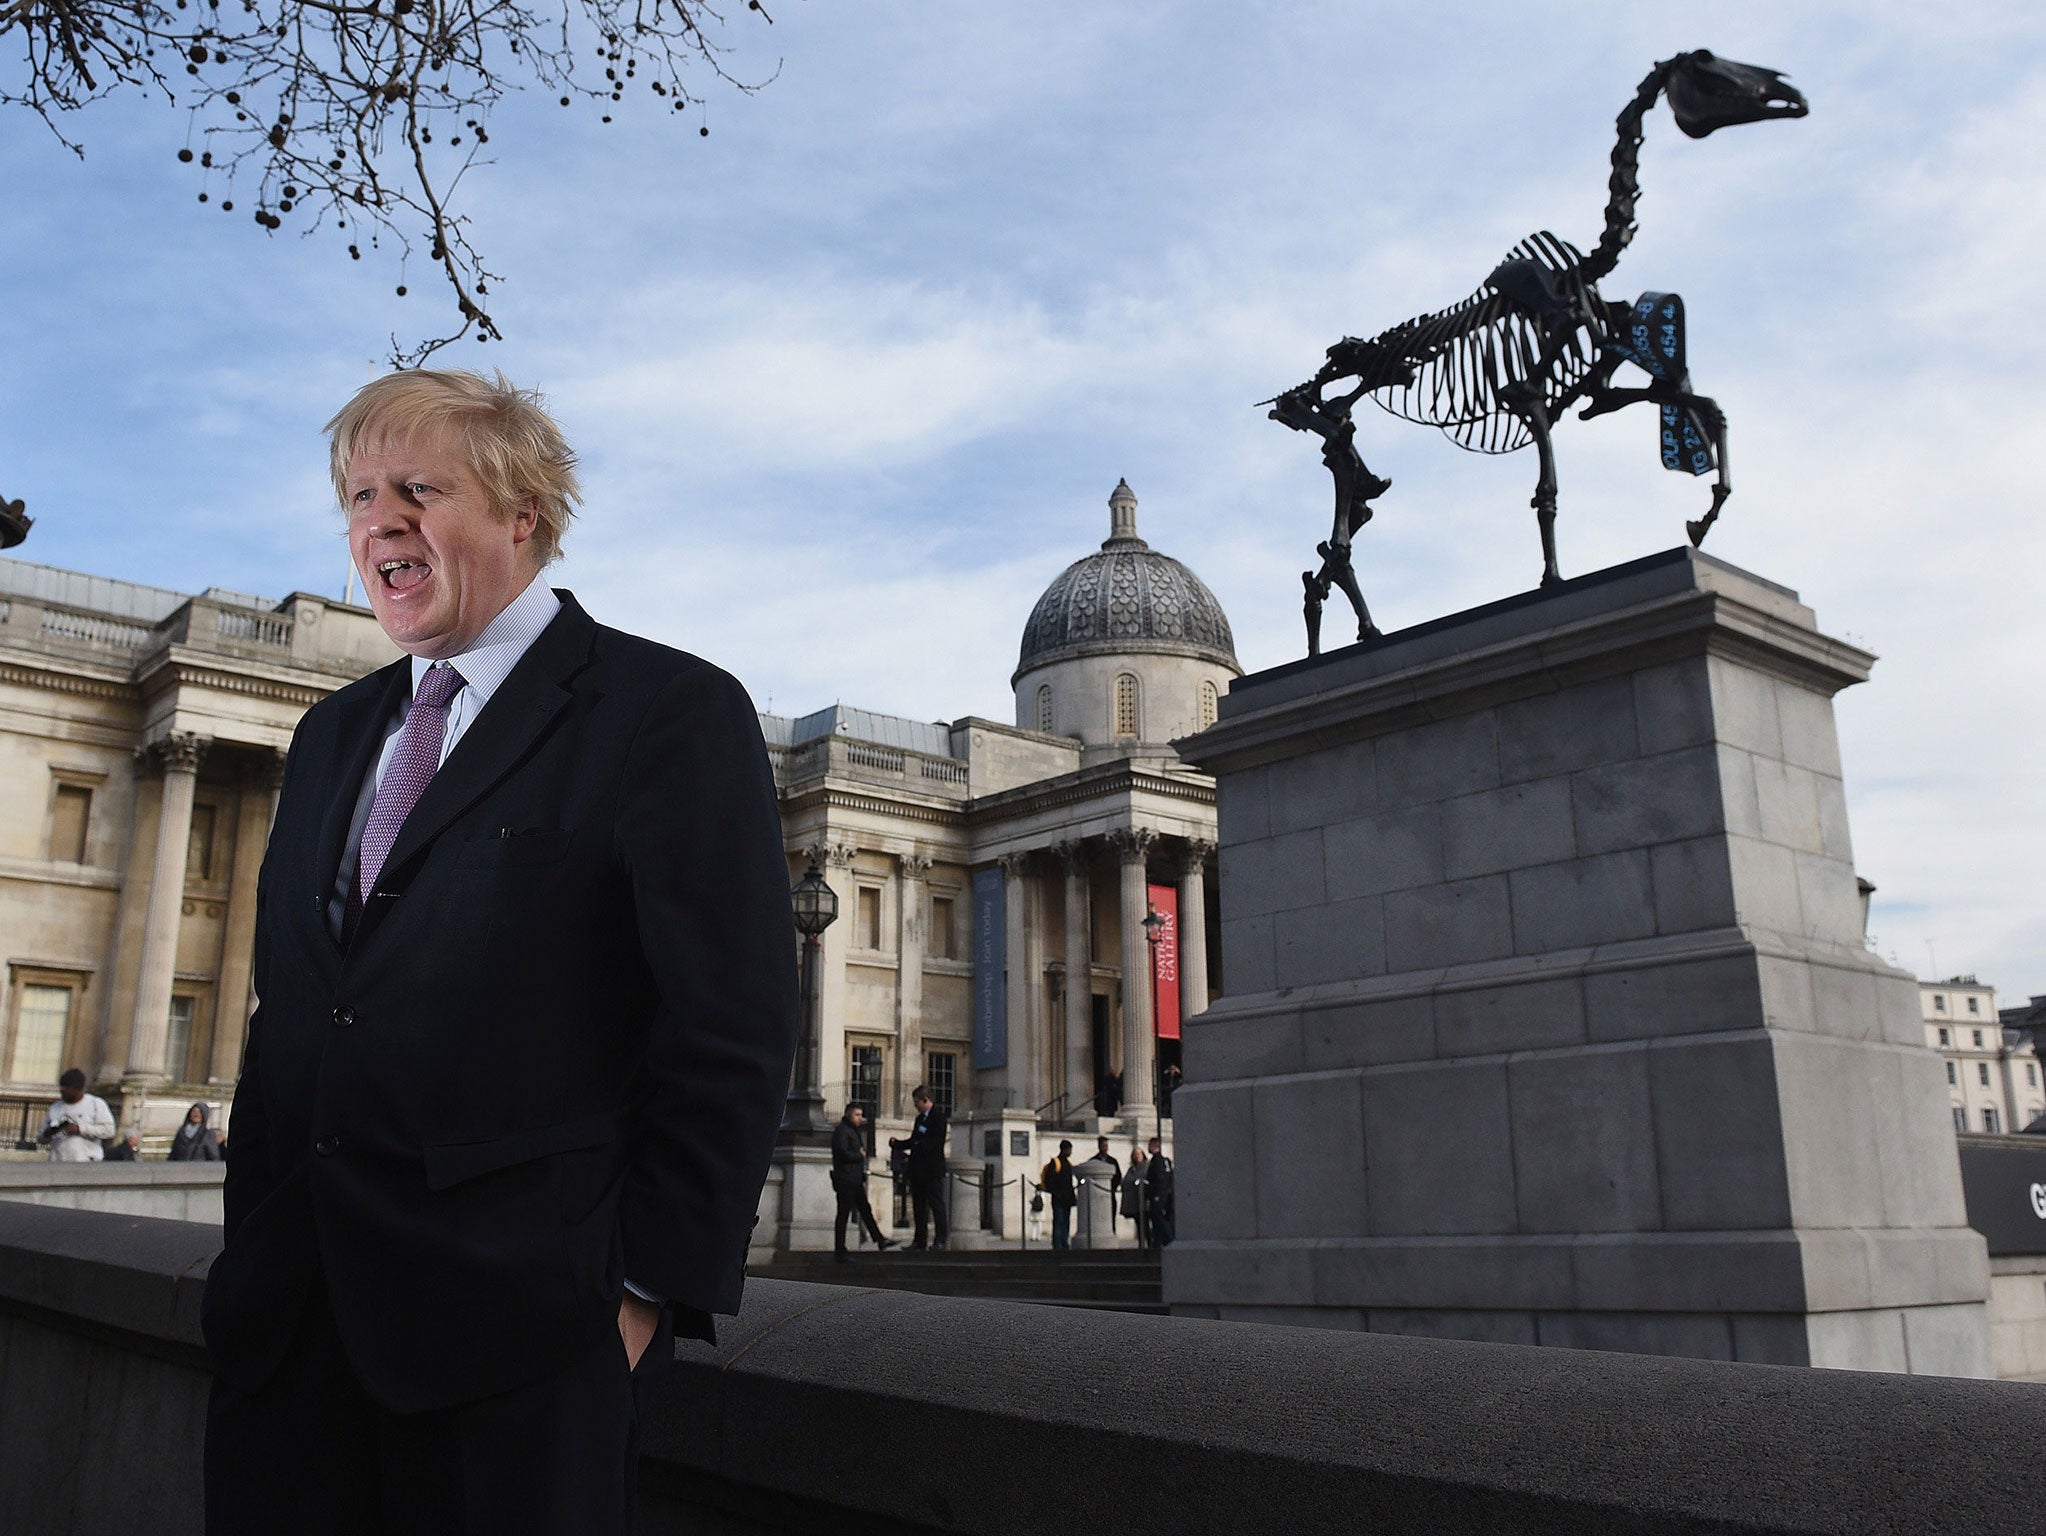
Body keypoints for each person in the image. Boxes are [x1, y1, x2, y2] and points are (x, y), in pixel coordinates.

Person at [201, 369, 800, 1536]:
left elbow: (728, 1025)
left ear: (522, 512)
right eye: (361, 494)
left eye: (420, 487)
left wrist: (639, 1298)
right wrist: (252, 1250)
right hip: (292, 1337)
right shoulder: (330, 735)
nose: (381, 519)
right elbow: (295, 1015)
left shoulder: (661, 708)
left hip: (521, 1347)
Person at [830, 1105, 896, 1262]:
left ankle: (879, 1239)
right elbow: (841, 1151)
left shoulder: (851, 1130)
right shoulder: (842, 1130)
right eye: (857, 1115)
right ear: (848, 1114)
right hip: (846, 1179)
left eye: (861, 1115)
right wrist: (859, 1156)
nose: (860, 1118)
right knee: (844, 1214)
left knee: (865, 1210)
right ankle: (840, 1250)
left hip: (854, 1179)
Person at [890, 1086, 950, 1250]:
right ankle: (920, 1240)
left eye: (917, 1102)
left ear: (926, 1100)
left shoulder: (939, 1117)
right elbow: (913, 1140)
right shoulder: (919, 1120)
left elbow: (935, 1142)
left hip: (932, 1169)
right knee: (919, 1207)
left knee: (936, 1205)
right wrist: (898, 1144)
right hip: (918, 1170)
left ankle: (940, 1239)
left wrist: (918, 1145)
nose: (915, 1105)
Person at [39, 1068, 115, 1162]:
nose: (62, 1092)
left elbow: (109, 1131)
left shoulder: (95, 1104)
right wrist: (50, 1133)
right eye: (61, 1088)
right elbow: (41, 1138)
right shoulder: (55, 1108)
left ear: (76, 1088)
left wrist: (80, 1129)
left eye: (66, 1089)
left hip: (85, 1161)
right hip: (58, 1161)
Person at [1041, 1140, 1078, 1251]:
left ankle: (1064, 1242)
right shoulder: (1056, 1162)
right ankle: (1057, 1244)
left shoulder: (1068, 1163)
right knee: (1059, 1220)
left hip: (1066, 1198)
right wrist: (1056, 1193)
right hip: (1059, 1198)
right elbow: (1050, 1180)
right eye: (1069, 1149)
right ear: (1065, 1149)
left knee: (1065, 1221)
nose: (1070, 1151)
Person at [1086, 1134, 1122, 1231]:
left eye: (1106, 1146)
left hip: (1110, 1193)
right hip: (1097, 1195)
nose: (1105, 1148)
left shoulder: (1113, 1161)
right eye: (1103, 1145)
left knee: (1111, 1216)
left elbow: (1118, 1176)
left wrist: (1112, 1187)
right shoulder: (1093, 1161)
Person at [1145, 1135, 1175, 1248]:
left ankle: (1168, 1240)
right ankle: (1157, 1242)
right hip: (1165, 1193)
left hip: (1158, 1194)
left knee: (1158, 1218)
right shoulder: (1165, 1160)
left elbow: (1159, 1178)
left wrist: (1157, 1193)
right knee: (1158, 1218)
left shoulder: (1156, 1161)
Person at [1121, 1146, 1149, 1248]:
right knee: (1138, 1223)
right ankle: (1141, 1243)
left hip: (1143, 1201)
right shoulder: (1131, 1169)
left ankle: (1149, 1243)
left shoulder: (1147, 1167)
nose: (1137, 1156)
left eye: (1139, 1154)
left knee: (1145, 1224)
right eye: (1135, 1155)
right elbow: (1126, 1182)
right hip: (1134, 1202)